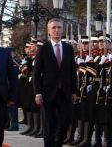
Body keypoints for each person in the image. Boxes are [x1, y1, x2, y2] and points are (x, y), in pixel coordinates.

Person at [33, 18, 78, 147]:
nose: (57, 30)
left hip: (65, 92)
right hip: (47, 94)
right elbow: (36, 73)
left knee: (65, 123)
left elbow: (72, 71)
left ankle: (57, 144)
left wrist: (74, 91)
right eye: (54, 28)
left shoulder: (68, 48)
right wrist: (37, 93)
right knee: (49, 126)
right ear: (49, 31)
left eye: (59, 27)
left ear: (62, 30)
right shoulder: (43, 49)